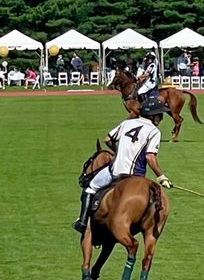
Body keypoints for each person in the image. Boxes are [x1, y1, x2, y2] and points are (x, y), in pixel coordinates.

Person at [73, 99, 173, 232]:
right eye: (160, 115)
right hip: (136, 175)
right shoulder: (154, 131)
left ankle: (82, 221)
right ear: (152, 116)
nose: (161, 118)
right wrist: (161, 177)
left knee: (90, 188)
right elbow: (150, 156)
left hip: (115, 171)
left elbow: (108, 139)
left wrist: (118, 152)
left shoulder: (127, 123)